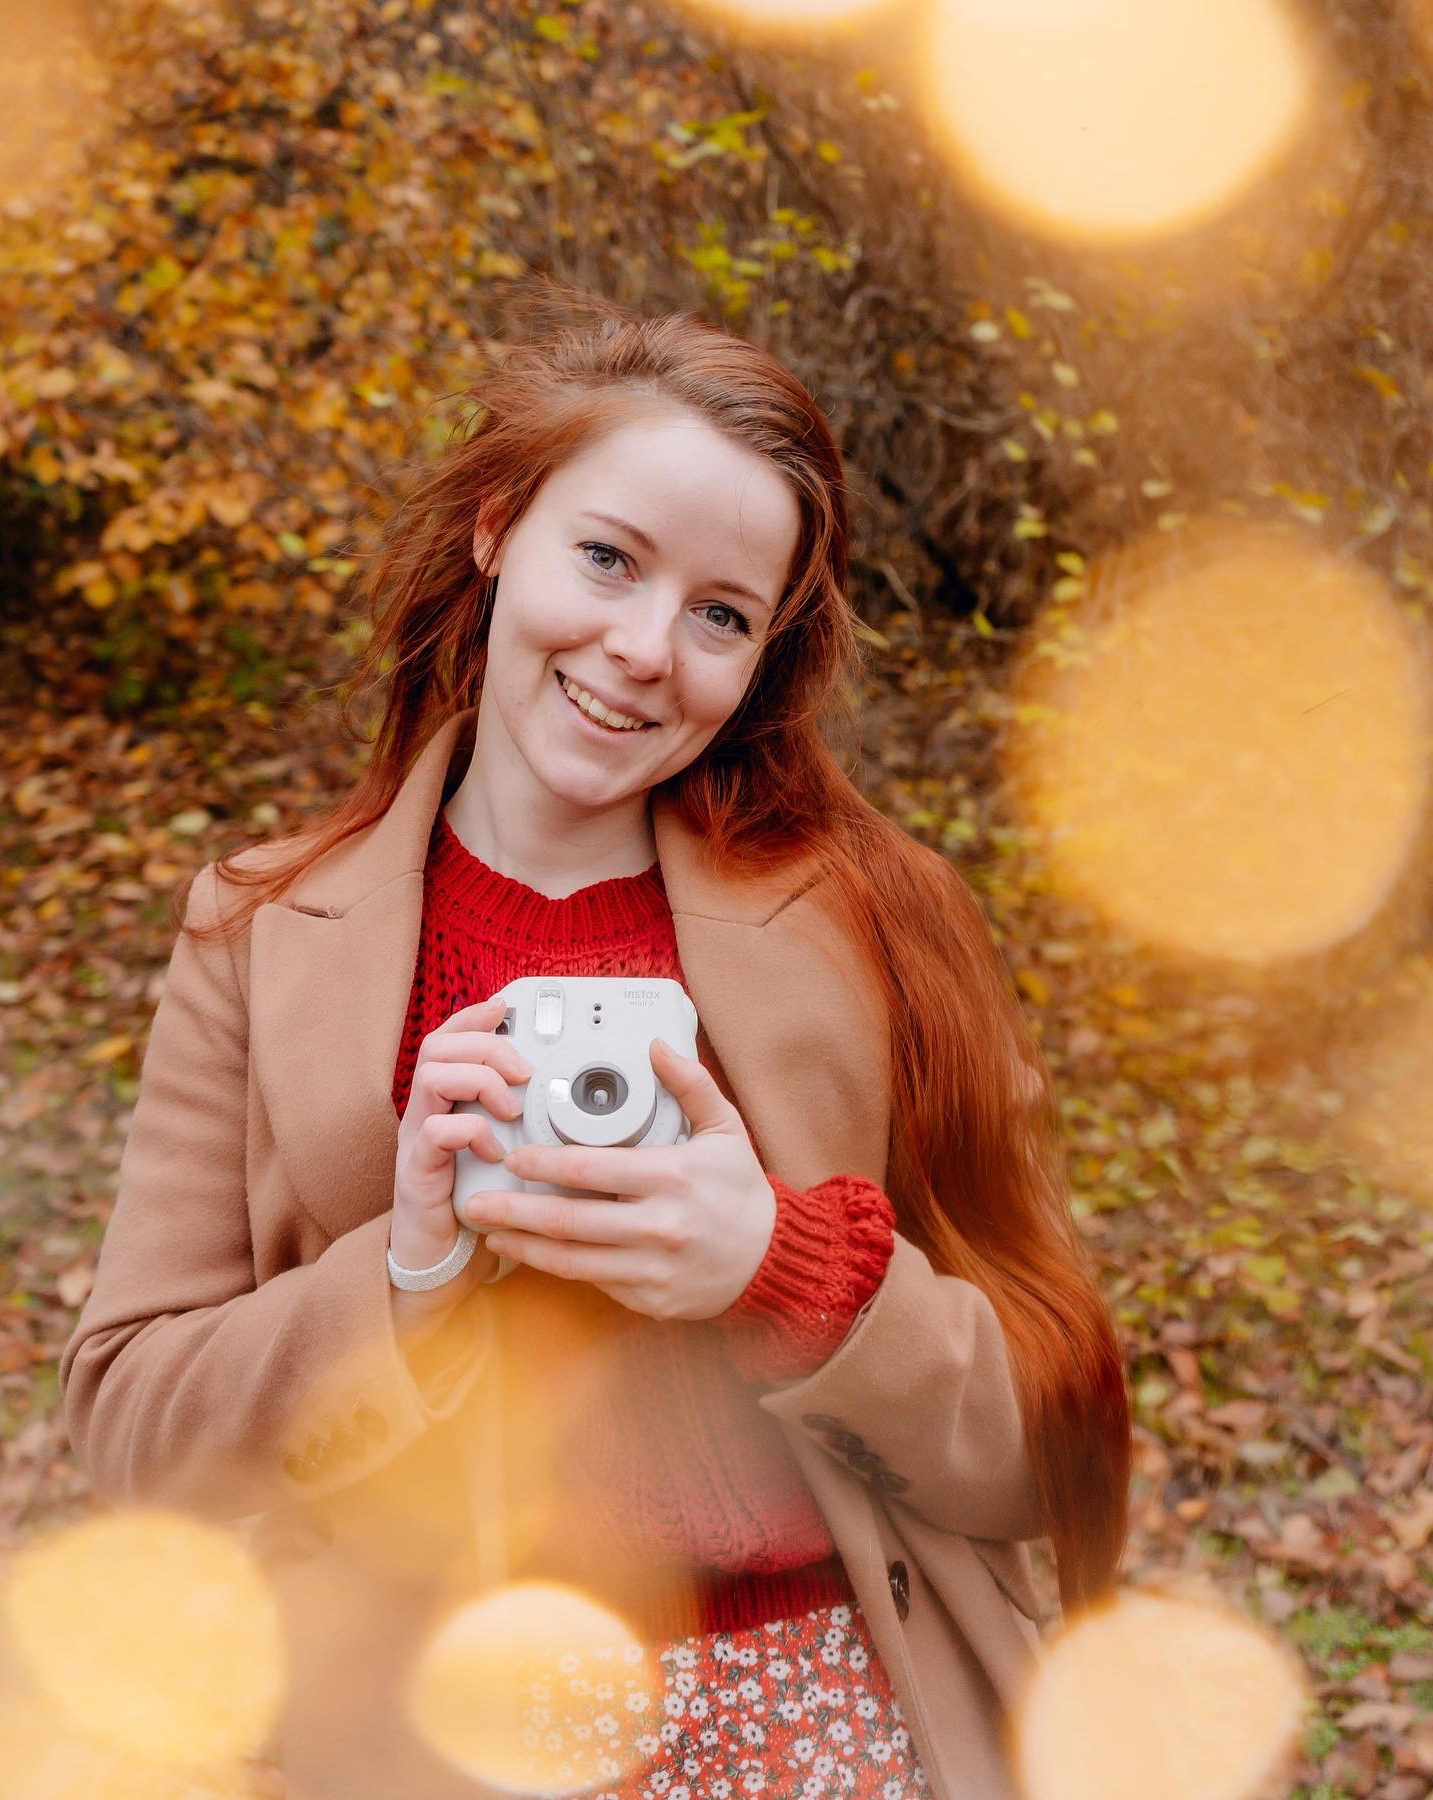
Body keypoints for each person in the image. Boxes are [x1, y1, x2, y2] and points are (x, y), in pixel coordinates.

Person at [60, 295, 1131, 1800]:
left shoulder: (883, 922)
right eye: (609, 558)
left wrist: (789, 1273)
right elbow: (130, 1437)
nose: (642, 650)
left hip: (830, 1718)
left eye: (720, 613)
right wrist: (407, 1275)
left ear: (765, 657)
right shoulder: (260, 930)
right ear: (499, 527)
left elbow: (1057, 1450)